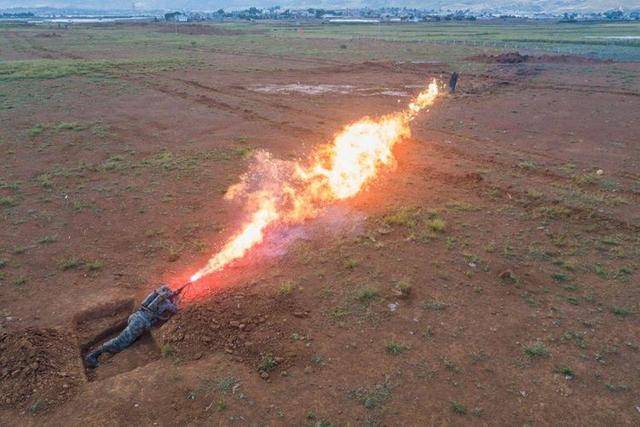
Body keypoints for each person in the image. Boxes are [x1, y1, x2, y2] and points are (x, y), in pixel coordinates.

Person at [85, 284, 179, 368]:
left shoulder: (157, 294)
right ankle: (92, 357)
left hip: (136, 316)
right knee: (119, 342)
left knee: (126, 339)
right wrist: (176, 300)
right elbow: (175, 309)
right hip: (140, 322)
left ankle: (95, 354)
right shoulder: (166, 303)